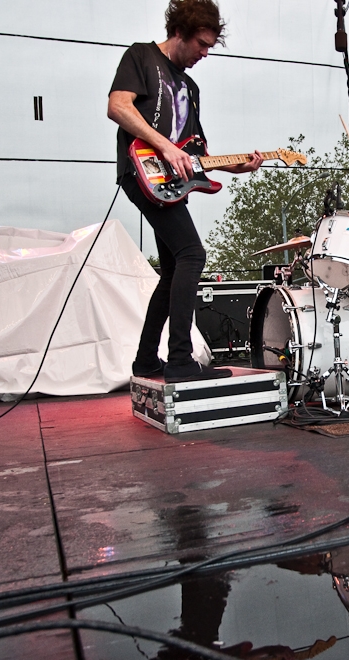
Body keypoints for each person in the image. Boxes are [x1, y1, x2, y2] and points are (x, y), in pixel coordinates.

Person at [107, 0, 264, 382]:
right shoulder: (141, 56)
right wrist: (164, 145)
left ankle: (146, 360)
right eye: (201, 44)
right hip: (144, 171)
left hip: (171, 183)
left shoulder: (190, 88)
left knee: (175, 267)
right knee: (193, 254)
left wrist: (237, 166)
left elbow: (196, 154)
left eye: (210, 45)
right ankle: (180, 359)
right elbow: (117, 106)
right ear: (179, 32)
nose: (205, 53)